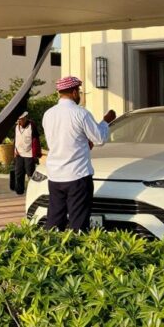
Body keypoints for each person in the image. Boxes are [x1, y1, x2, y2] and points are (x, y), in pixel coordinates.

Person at [43, 77, 116, 231]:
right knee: (78, 222)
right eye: (80, 92)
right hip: (77, 176)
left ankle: (52, 250)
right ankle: (76, 251)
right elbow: (99, 139)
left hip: (55, 176)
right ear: (75, 92)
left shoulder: (48, 114)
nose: (80, 95)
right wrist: (105, 121)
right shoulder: (80, 113)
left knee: (55, 221)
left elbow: (64, 141)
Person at [11, 111, 41, 196]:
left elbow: (36, 140)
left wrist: (36, 154)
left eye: (21, 120)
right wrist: (14, 150)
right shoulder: (17, 127)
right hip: (19, 153)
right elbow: (16, 139)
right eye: (18, 120)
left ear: (25, 118)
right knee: (18, 172)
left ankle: (33, 191)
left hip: (29, 154)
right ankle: (19, 191)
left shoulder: (32, 125)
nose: (19, 122)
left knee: (30, 173)